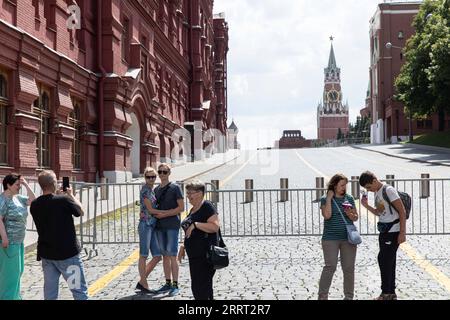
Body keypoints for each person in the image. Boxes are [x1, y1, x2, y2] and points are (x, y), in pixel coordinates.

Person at [30, 170, 88, 300]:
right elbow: (81, 211)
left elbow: (49, 205)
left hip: (47, 255)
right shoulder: (63, 200)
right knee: (79, 291)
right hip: (68, 255)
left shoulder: (34, 204)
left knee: (50, 295)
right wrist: (71, 195)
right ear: (54, 183)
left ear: (41, 185)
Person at [359, 171, 406, 300]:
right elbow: (379, 213)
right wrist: (366, 205)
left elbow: (402, 210)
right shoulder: (377, 193)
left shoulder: (388, 190)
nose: (369, 190)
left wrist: (402, 232)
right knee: (388, 261)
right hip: (384, 231)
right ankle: (391, 293)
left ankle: (385, 293)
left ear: (374, 180)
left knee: (384, 260)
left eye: (369, 187)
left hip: (393, 231)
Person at [318, 173, 359, 300]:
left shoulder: (349, 198)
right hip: (330, 238)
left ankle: (349, 296)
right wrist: (329, 199)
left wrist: (350, 214)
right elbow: (327, 216)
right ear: (334, 185)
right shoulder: (325, 199)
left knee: (348, 268)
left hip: (348, 238)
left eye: (345, 185)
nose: (344, 188)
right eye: (341, 185)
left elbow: (355, 217)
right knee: (330, 266)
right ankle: (323, 295)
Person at [178, 180, 220, 300]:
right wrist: (183, 247)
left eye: (192, 192)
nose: (189, 196)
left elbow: (215, 226)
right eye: (188, 193)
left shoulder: (206, 206)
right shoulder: (192, 210)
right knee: (199, 288)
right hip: (194, 256)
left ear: (201, 193)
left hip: (205, 255)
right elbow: (189, 232)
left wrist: (196, 224)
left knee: (201, 289)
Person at [147, 163, 184, 296]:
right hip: (159, 227)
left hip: (172, 225)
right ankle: (167, 283)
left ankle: (175, 285)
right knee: (165, 256)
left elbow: (181, 208)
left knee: (172, 255)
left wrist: (165, 214)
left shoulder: (175, 188)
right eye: (160, 172)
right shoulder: (156, 190)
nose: (162, 174)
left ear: (169, 173)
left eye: (164, 172)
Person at [0, 174, 36, 300]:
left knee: (18, 272)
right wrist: (4, 237)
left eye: (19, 185)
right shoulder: (3, 199)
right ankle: (7, 297)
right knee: (10, 274)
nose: (19, 187)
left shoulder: (18, 198)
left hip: (19, 242)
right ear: (8, 185)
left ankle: (15, 296)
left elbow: (33, 200)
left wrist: (26, 184)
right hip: (9, 243)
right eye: (17, 185)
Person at [136, 167, 162, 293]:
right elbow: (150, 210)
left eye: (153, 177)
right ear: (145, 177)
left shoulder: (152, 190)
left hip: (152, 225)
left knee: (157, 256)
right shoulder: (145, 190)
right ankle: (144, 283)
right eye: (148, 177)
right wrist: (167, 213)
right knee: (143, 255)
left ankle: (142, 281)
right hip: (145, 225)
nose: (151, 179)